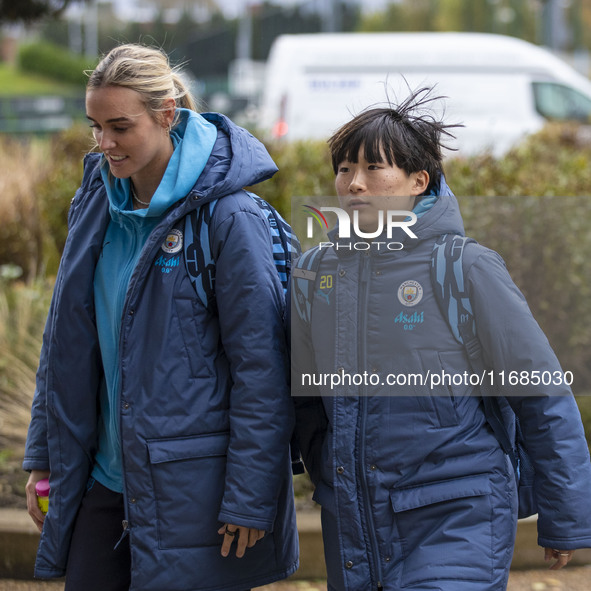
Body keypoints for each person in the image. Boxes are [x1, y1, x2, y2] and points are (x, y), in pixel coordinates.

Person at [291, 87, 591, 591]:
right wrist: (326, 467)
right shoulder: (313, 272)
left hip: (459, 510)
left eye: (373, 169)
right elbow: (304, 401)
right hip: (354, 515)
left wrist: (566, 514)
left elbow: (540, 391)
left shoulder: (464, 266)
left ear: (417, 181)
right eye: (344, 169)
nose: (354, 184)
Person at [23, 43, 299, 591]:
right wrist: (42, 455)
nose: (104, 144)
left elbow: (263, 370)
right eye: (95, 126)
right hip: (102, 480)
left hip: (196, 493)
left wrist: (250, 497)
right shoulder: (95, 202)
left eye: (120, 127)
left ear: (167, 114)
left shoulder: (231, 217)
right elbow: (66, 343)